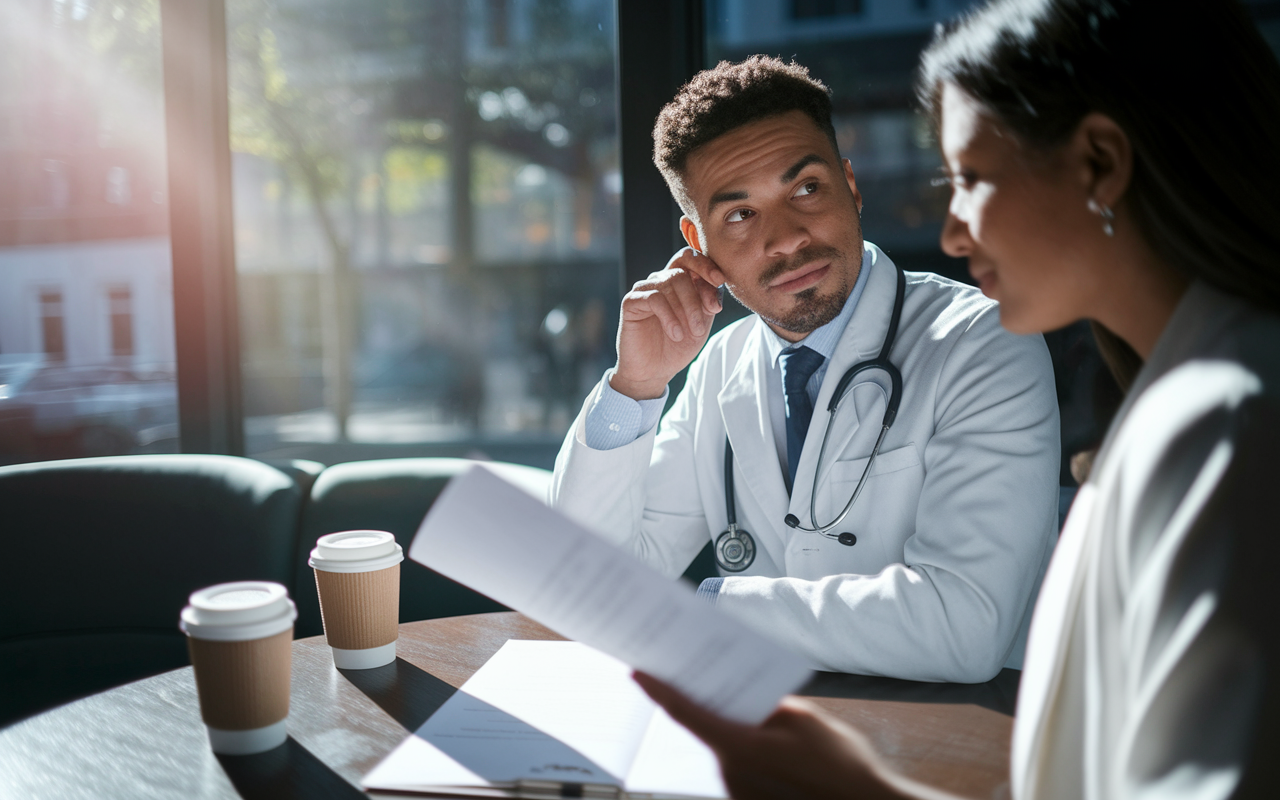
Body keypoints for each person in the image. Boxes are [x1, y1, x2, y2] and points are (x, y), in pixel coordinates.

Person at [635, 0, 1280, 797]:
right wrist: (635, 387)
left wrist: (857, 789)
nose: (951, 231)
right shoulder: (1194, 400)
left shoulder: (1227, 422)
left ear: (1101, 164)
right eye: (740, 212)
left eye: (971, 178)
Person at [550, 56, 1061, 682]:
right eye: (740, 214)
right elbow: (589, 582)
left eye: (807, 189)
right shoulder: (721, 364)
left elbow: (965, 626)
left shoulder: (983, 341)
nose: (787, 238)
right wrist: (635, 388)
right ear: (698, 242)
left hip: (957, 745)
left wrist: (707, 608)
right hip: (775, 736)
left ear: (851, 185)